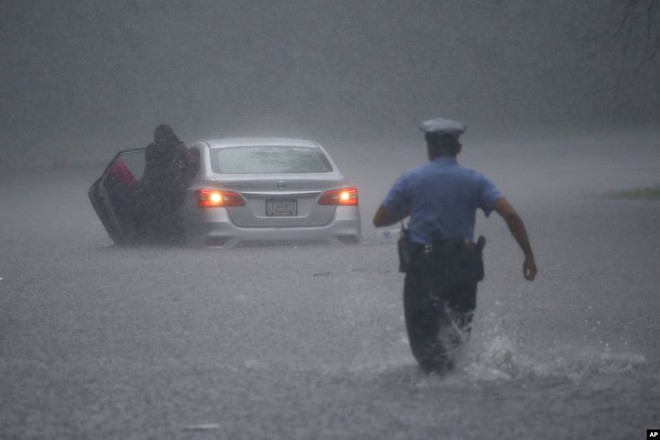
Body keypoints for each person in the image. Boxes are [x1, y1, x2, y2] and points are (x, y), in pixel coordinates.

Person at [372, 117, 537, 374]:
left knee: (425, 349)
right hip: (462, 271)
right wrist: (528, 257)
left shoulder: (411, 179)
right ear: (457, 149)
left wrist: (412, 207)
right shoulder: (476, 180)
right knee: (457, 342)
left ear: (429, 149)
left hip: (422, 271)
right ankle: (457, 387)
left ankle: (433, 391)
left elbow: (379, 219)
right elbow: (511, 215)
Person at [137, 124, 199, 243]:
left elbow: (148, 170)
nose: (160, 140)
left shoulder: (152, 149)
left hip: (160, 190)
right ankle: (173, 241)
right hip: (169, 190)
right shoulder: (174, 148)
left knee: (163, 218)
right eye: (159, 137)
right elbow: (194, 163)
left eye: (161, 137)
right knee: (171, 218)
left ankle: (165, 240)